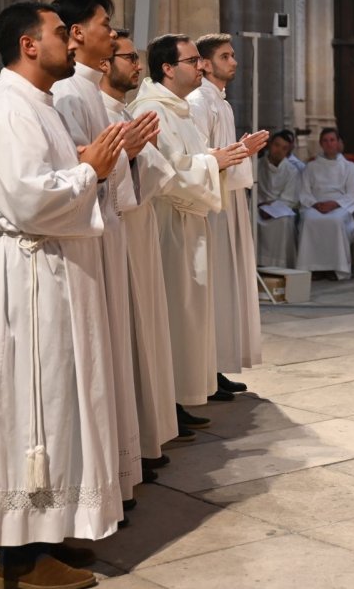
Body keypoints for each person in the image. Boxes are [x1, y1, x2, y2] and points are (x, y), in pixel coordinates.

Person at [0, 2, 125, 587]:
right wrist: (92, 171)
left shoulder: (37, 105)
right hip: (30, 275)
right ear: (30, 45)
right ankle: (19, 561)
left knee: (58, 402)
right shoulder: (5, 109)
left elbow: (43, 179)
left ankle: (46, 534)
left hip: (51, 270)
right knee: (33, 406)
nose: (71, 42)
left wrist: (85, 162)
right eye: (59, 33)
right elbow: (31, 201)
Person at [50, 0, 152, 508]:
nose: (113, 35)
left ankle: (118, 473)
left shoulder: (86, 93)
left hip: (105, 228)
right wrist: (112, 159)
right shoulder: (69, 94)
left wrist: (125, 155)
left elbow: (99, 166)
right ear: (75, 33)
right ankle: (106, 479)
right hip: (85, 236)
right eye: (104, 25)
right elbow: (76, 170)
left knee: (111, 355)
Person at [127, 34, 248, 433]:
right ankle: (169, 402)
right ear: (168, 67)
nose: (201, 67)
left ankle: (179, 397)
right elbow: (164, 173)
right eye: (193, 60)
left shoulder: (176, 109)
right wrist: (214, 162)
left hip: (187, 221)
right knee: (175, 314)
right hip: (167, 225)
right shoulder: (151, 110)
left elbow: (187, 161)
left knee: (188, 314)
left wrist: (218, 160)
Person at [100, 29, 182, 466]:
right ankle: (131, 453)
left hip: (136, 227)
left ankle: (143, 442)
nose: (138, 65)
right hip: (115, 235)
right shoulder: (86, 104)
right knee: (127, 341)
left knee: (143, 337)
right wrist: (127, 155)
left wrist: (135, 154)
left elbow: (157, 174)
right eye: (129, 57)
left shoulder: (124, 111)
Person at [189, 33, 269, 399]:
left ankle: (216, 365)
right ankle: (206, 368)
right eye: (225, 55)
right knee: (216, 286)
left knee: (226, 287)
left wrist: (240, 150)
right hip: (214, 200)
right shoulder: (198, 101)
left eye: (234, 55)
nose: (234, 61)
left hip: (229, 197)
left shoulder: (220, 102)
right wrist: (237, 151)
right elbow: (200, 154)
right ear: (204, 63)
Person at [296, 127, 354, 280]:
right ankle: (312, 268)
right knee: (309, 220)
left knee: (336, 220)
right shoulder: (311, 167)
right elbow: (304, 190)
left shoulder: (349, 167)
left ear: (338, 143)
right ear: (320, 143)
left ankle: (336, 268)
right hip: (316, 204)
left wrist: (335, 203)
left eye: (332, 140)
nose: (329, 144)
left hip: (339, 205)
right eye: (325, 141)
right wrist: (315, 204)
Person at [257, 130, 301, 268]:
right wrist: (260, 205)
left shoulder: (291, 170)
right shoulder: (257, 165)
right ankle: (256, 262)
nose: (279, 150)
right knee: (250, 218)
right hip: (257, 207)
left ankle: (279, 265)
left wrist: (271, 208)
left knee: (283, 222)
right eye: (276, 145)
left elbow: (289, 198)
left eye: (284, 148)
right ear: (269, 145)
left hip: (280, 210)